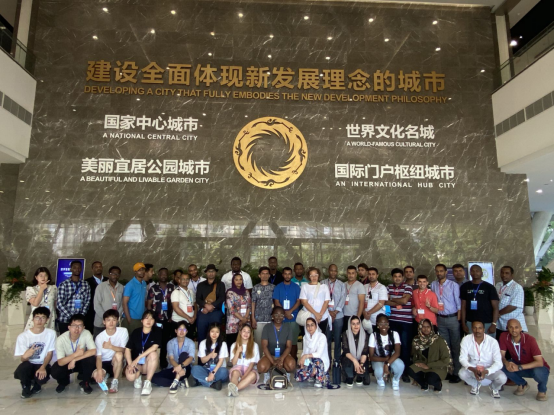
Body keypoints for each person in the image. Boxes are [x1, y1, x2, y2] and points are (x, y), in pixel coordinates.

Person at [500, 319, 549, 401]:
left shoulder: (530, 340)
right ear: (507, 328)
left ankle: (542, 390)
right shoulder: (504, 336)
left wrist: (519, 367)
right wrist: (506, 363)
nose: (514, 330)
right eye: (511, 327)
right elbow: (501, 355)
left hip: (535, 366)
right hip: (519, 364)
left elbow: (540, 362)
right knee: (502, 366)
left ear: (521, 328)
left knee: (538, 372)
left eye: (516, 327)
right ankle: (522, 384)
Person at [14, 307, 56, 398]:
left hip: (42, 363)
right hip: (29, 363)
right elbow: (23, 359)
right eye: (37, 317)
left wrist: (43, 367)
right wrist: (25, 356)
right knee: (24, 368)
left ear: (47, 320)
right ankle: (26, 386)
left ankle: (37, 385)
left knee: (42, 378)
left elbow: (49, 353)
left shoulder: (51, 333)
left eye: (43, 317)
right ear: (32, 319)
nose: (39, 320)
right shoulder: (23, 336)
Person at [430, 263, 462, 383]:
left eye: (441, 271)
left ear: (446, 272)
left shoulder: (453, 285)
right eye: (437, 271)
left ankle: (457, 372)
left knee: (455, 346)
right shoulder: (433, 284)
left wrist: (458, 320)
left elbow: (459, 304)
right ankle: (448, 370)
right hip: (440, 318)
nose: (439, 273)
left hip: (452, 318)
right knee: (445, 347)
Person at [459, 321, 507, 397]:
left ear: (484, 329)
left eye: (480, 328)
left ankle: (494, 388)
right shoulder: (466, 339)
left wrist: (486, 371)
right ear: (472, 329)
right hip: (474, 368)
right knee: (462, 373)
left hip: (489, 368)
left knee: (502, 378)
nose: (477, 330)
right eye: (475, 328)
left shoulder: (492, 342)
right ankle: (475, 385)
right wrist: (473, 370)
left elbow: (499, 363)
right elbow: (462, 358)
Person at [51, 313, 96, 394]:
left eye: (80, 326)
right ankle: (63, 382)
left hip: (81, 361)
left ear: (83, 327)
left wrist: (75, 359)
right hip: (67, 362)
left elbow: (93, 351)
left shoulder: (86, 333)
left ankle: (85, 382)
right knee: (55, 371)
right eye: (74, 325)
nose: (77, 328)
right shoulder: (61, 339)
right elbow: (60, 362)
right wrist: (75, 354)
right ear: (69, 327)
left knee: (91, 359)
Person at [385, 267, 413, 383]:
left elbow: (404, 301)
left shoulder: (408, 287)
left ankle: (405, 372)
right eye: (395, 276)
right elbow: (385, 301)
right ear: (392, 277)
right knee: (392, 346)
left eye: (399, 276)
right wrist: (399, 299)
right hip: (392, 321)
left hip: (406, 322)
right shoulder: (388, 287)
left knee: (405, 347)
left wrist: (393, 299)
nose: (397, 278)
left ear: (402, 277)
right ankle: (392, 370)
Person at [408, 319, 451, 392]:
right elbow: (415, 356)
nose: (426, 329)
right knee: (410, 370)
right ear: (420, 328)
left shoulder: (439, 340)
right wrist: (418, 364)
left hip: (437, 367)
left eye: (428, 327)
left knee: (430, 379)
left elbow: (446, 360)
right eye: (423, 327)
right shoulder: (416, 340)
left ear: (431, 327)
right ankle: (424, 384)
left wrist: (429, 365)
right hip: (423, 366)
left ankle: (438, 385)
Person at [125, 310, 162, 396]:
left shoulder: (157, 331)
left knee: (153, 354)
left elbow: (154, 347)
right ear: (142, 320)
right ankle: (138, 377)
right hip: (136, 364)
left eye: (151, 319)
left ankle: (147, 382)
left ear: (154, 321)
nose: (149, 321)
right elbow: (127, 349)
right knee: (130, 376)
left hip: (147, 363)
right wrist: (130, 364)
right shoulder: (136, 332)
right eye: (146, 318)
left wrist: (138, 358)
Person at [152, 321, 196, 393]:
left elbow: (191, 358)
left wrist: (181, 366)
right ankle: (179, 382)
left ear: (187, 331)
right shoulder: (170, 343)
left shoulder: (190, 343)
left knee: (184, 355)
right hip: (173, 369)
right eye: (180, 329)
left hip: (185, 370)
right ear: (176, 331)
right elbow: (171, 359)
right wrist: (178, 368)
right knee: (153, 378)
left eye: (184, 329)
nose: (182, 331)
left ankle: (176, 380)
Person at [92, 309, 128, 393]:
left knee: (119, 354)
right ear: (104, 322)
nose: (111, 323)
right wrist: (99, 371)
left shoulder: (123, 331)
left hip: (116, 361)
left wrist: (111, 347)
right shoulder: (99, 337)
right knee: (96, 375)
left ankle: (115, 381)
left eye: (114, 320)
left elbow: (124, 350)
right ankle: (106, 374)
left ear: (117, 321)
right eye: (108, 320)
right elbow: (98, 357)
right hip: (104, 362)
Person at [257, 307, 297, 380]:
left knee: (291, 365)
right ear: (272, 316)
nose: (279, 317)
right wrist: (273, 361)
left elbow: (289, 347)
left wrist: (281, 359)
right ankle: (268, 372)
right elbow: (264, 347)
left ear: (284, 316)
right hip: (270, 355)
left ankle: (286, 373)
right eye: (276, 315)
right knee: (261, 367)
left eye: (281, 315)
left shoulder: (288, 327)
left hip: (283, 355)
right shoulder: (267, 327)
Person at [460, 265, 499, 337]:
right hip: (470, 322)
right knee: (472, 342)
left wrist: (494, 324)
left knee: (488, 343)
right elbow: (463, 306)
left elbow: (495, 308)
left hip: (487, 322)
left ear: (481, 273)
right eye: (472, 271)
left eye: (477, 271)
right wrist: (463, 323)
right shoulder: (465, 286)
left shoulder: (489, 287)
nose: (475, 273)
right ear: (470, 273)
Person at [273, 266, 302, 364]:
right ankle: (281, 361)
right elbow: (276, 301)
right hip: (281, 318)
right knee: (281, 341)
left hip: (293, 317)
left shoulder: (296, 287)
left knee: (293, 341)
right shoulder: (278, 287)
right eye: (285, 274)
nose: (287, 276)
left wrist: (290, 311)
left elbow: (298, 301)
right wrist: (285, 313)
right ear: (282, 275)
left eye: (289, 274)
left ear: (291, 275)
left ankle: (293, 360)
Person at [147, 267, 175, 369]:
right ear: (158, 275)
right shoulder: (153, 288)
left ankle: (163, 361)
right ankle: (151, 361)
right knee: (155, 340)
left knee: (166, 341)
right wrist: (152, 319)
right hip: (156, 319)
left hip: (168, 319)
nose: (163, 275)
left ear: (168, 275)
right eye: (161, 274)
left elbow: (175, 304)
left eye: (165, 274)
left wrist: (172, 316)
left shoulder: (172, 287)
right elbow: (149, 305)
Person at [369, 314, 405, 390]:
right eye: (381, 324)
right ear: (377, 324)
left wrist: (387, 364)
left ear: (388, 324)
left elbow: (397, 353)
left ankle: (395, 379)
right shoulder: (373, 336)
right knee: (379, 371)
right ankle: (380, 378)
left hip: (391, 359)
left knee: (400, 365)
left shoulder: (394, 334)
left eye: (385, 323)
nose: (383, 326)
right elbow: (371, 357)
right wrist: (385, 359)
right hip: (378, 359)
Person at [191, 323, 230, 390]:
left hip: (218, 370)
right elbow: (203, 360)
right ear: (209, 332)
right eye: (212, 331)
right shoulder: (203, 343)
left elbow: (221, 361)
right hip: (206, 369)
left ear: (220, 333)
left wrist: (213, 373)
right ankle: (212, 384)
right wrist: (210, 355)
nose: (214, 334)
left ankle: (202, 381)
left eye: (217, 332)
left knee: (224, 372)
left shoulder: (223, 344)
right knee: (194, 369)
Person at [57, 260, 91, 334]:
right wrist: (72, 318)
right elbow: (59, 303)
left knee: (79, 340)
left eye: (79, 267)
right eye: (74, 267)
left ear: (81, 269)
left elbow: (87, 301)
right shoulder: (64, 284)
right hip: (65, 320)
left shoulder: (85, 284)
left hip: (80, 321)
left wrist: (81, 316)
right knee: (65, 340)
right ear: (70, 269)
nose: (77, 269)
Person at [295, 317, 330, 388]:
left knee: (317, 361)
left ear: (316, 326)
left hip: (321, 362)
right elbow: (304, 352)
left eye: (312, 325)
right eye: (308, 325)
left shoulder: (322, 337)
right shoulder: (305, 337)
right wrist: (302, 363)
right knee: (298, 376)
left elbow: (318, 354)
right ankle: (313, 374)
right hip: (310, 361)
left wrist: (305, 356)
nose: (310, 328)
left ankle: (319, 379)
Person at [322, 264, 346, 364]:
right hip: (326, 315)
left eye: (335, 271)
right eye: (331, 270)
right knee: (326, 339)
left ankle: (337, 361)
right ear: (328, 271)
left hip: (338, 316)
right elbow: (321, 299)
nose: (333, 272)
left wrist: (335, 312)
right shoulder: (322, 283)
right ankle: (327, 361)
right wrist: (328, 312)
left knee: (337, 339)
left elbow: (343, 299)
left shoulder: (341, 284)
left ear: (337, 272)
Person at [196, 264, 226, 343]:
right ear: (206, 273)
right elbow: (198, 299)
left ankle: (216, 349)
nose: (211, 273)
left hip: (216, 311)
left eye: (213, 271)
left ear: (215, 272)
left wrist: (212, 306)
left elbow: (222, 298)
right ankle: (202, 350)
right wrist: (205, 305)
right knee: (201, 332)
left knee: (215, 333)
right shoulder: (200, 285)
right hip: (203, 311)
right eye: (209, 271)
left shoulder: (221, 284)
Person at [228, 323, 260, 397]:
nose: (246, 333)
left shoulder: (254, 345)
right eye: (244, 331)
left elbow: (252, 364)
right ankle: (234, 388)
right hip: (237, 368)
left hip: (249, 369)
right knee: (235, 372)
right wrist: (238, 352)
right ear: (240, 332)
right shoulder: (234, 345)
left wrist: (244, 376)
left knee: (253, 375)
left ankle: (235, 389)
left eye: (248, 332)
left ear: (251, 334)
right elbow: (233, 363)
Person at [93, 266, 124, 337]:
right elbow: (97, 304)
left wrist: (115, 317)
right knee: (98, 342)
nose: (115, 276)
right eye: (112, 274)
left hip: (114, 323)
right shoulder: (101, 286)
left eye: (117, 274)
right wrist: (106, 318)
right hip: (101, 322)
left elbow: (122, 304)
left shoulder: (121, 287)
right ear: (109, 274)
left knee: (113, 342)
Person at [496, 266, 526, 338]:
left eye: (507, 273)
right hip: (500, 324)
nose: (504, 275)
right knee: (501, 343)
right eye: (502, 273)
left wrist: (497, 313)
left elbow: (513, 306)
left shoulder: (517, 287)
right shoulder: (498, 285)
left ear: (512, 275)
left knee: (513, 344)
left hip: (513, 325)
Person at [300, 267, 331, 332]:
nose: (314, 277)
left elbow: (326, 302)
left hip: (323, 317)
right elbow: (304, 302)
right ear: (309, 276)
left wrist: (320, 315)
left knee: (321, 335)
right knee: (309, 335)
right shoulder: (305, 287)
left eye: (315, 275)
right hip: (309, 316)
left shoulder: (324, 286)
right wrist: (316, 314)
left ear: (318, 275)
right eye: (311, 275)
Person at [341, 316, 369, 387]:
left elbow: (365, 352)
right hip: (350, 358)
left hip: (361, 359)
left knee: (366, 381)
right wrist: (355, 361)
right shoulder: (345, 334)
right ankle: (350, 376)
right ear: (350, 325)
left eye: (357, 323)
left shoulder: (365, 334)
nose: (356, 326)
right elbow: (346, 351)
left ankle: (359, 375)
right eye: (353, 324)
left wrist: (361, 364)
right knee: (346, 359)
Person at [226, 273, 252, 347]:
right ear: (233, 281)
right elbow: (232, 309)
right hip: (233, 322)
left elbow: (249, 306)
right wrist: (242, 319)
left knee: (245, 343)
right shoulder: (230, 292)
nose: (239, 281)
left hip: (245, 320)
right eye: (236, 280)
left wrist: (245, 318)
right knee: (233, 344)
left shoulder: (246, 292)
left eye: (240, 279)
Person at [252, 266, 276, 346]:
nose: (265, 275)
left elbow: (276, 302)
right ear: (259, 275)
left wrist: (275, 317)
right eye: (263, 273)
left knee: (270, 343)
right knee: (258, 342)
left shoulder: (273, 287)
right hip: (258, 319)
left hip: (270, 319)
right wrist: (253, 318)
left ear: (269, 275)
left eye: (266, 274)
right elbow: (253, 303)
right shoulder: (255, 288)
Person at [122, 262, 148, 334]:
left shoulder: (144, 283)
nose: (142, 272)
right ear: (135, 271)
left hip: (141, 318)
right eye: (139, 270)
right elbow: (124, 303)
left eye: (143, 269)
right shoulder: (130, 285)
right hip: (132, 318)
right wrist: (129, 319)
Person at [363, 267, 388, 332]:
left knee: (376, 337)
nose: (371, 276)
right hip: (366, 319)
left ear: (377, 275)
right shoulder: (364, 286)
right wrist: (363, 312)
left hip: (376, 319)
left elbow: (381, 303)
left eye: (373, 274)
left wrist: (369, 313)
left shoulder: (381, 287)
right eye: (369, 274)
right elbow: (361, 301)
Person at [85, 261, 107, 332]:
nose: (98, 268)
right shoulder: (87, 282)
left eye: (100, 267)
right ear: (92, 269)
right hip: (91, 312)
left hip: (106, 310)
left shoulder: (108, 280)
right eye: (96, 267)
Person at [343, 265, 365, 331]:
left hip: (354, 315)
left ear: (356, 274)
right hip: (343, 315)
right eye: (349, 273)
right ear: (346, 274)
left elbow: (362, 302)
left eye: (353, 273)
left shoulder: (359, 285)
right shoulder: (343, 284)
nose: (351, 275)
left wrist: (358, 317)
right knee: (345, 334)